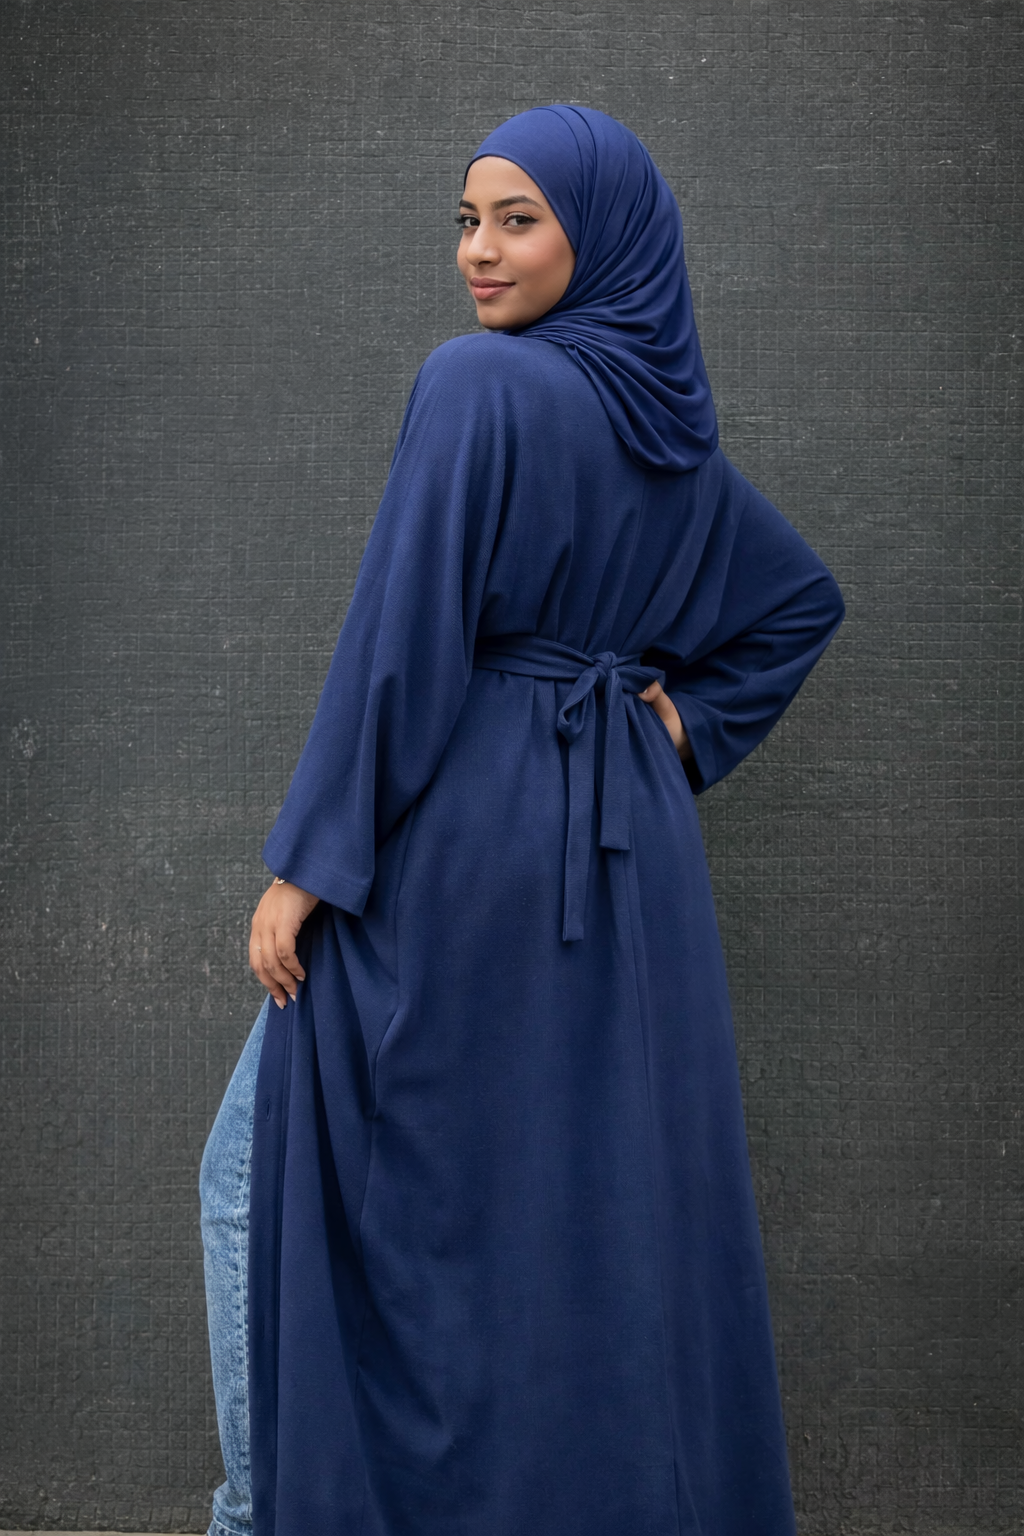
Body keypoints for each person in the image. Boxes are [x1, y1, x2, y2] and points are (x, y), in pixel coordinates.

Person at [200, 105, 844, 1536]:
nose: (478, 254)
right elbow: (798, 603)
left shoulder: (476, 386)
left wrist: (310, 862)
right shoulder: (669, 431)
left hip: (466, 844)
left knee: (263, 1182)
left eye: (517, 220)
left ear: (595, 235)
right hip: (625, 864)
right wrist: (678, 727)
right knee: (573, 1209)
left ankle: (270, 1516)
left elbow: (402, 642)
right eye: (467, 220)